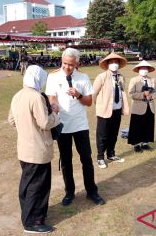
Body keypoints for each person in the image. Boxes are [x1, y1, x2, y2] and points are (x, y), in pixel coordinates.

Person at [45, 48, 105, 206]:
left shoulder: (83, 77)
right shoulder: (53, 77)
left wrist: (78, 95)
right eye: (64, 63)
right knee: (66, 161)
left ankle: (92, 191)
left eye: (71, 65)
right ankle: (69, 192)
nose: (67, 67)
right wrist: (53, 105)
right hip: (62, 125)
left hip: (80, 125)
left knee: (86, 159)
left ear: (77, 63)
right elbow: (51, 97)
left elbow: (89, 102)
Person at [8, 65, 60, 234]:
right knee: (38, 186)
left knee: (27, 184)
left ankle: (28, 215)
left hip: (24, 148)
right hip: (38, 149)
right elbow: (45, 123)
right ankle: (33, 222)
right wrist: (55, 114)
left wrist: (26, 129)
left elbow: (11, 120)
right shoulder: (36, 97)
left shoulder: (17, 95)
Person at [92, 52, 129, 169]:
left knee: (113, 133)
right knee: (102, 135)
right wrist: (100, 105)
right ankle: (100, 157)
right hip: (104, 111)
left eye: (116, 62)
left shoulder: (121, 77)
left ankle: (111, 154)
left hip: (117, 109)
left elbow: (122, 92)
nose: (114, 64)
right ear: (107, 64)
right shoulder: (101, 77)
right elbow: (94, 93)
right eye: (112, 62)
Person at [127, 60, 156, 152]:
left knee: (148, 125)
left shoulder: (152, 80)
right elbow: (131, 93)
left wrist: (151, 96)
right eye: (142, 68)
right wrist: (143, 95)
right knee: (137, 126)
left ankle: (145, 143)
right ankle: (136, 144)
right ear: (138, 69)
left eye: (146, 68)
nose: (144, 69)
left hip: (150, 106)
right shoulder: (134, 80)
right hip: (138, 107)